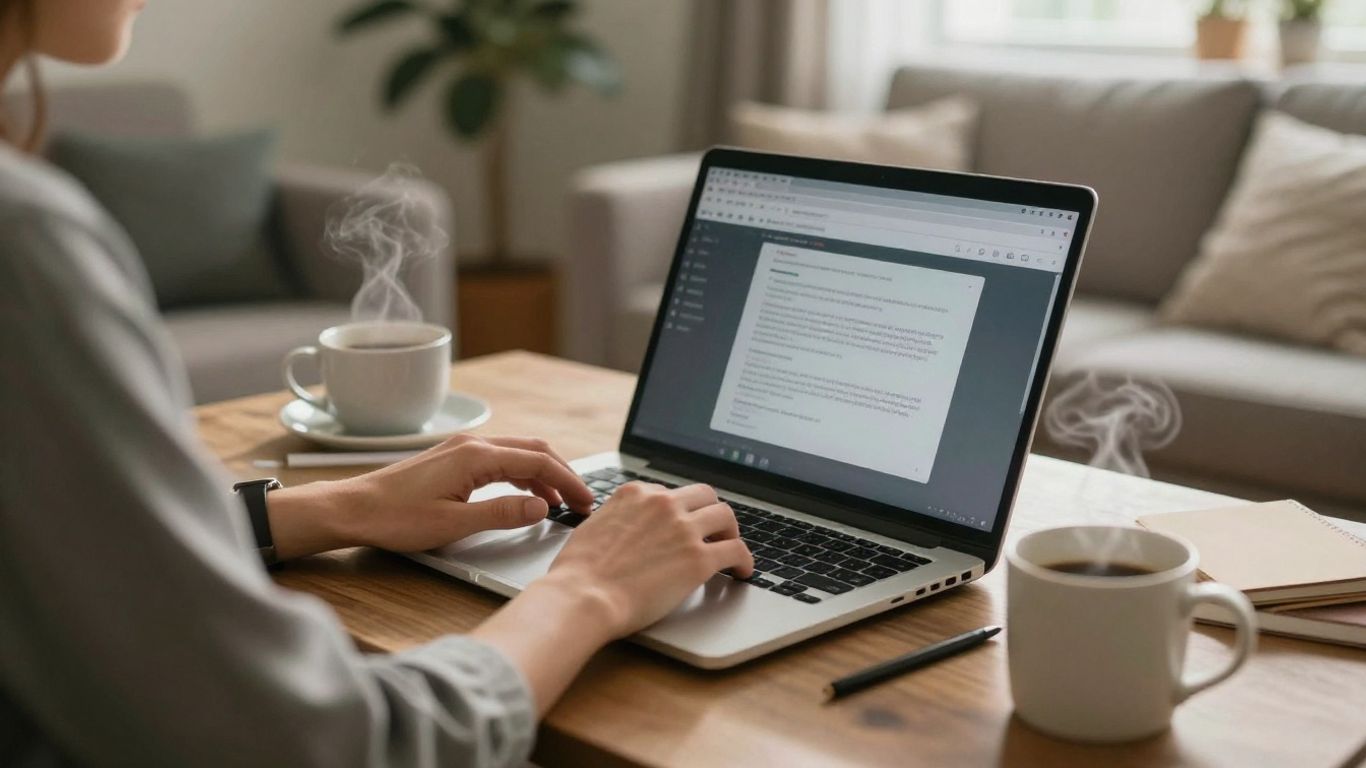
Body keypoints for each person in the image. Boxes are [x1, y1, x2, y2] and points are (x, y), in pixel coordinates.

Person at [0, 1, 753, 765]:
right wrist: (591, 589)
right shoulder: (22, 239)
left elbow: (55, 542)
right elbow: (320, 745)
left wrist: (342, 507)